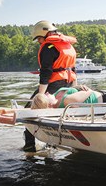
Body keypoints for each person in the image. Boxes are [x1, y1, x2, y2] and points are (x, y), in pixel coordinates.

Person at [23, 20, 78, 151]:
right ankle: (51, 144)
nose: (38, 42)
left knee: (28, 112)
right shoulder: (67, 44)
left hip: (54, 83)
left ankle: (30, 146)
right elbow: (72, 68)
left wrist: (40, 95)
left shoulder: (48, 48)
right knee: (54, 112)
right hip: (69, 82)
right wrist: (74, 87)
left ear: (44, 34)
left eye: (39, 39)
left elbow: (46, 72)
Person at [31, 85, 106, 109]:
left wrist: (77, 86)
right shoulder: (69, 101)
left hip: (103, 95)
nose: (46, 93)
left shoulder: (55, 96)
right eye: (45, 96)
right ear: (49, 104)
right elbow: (89, 91)